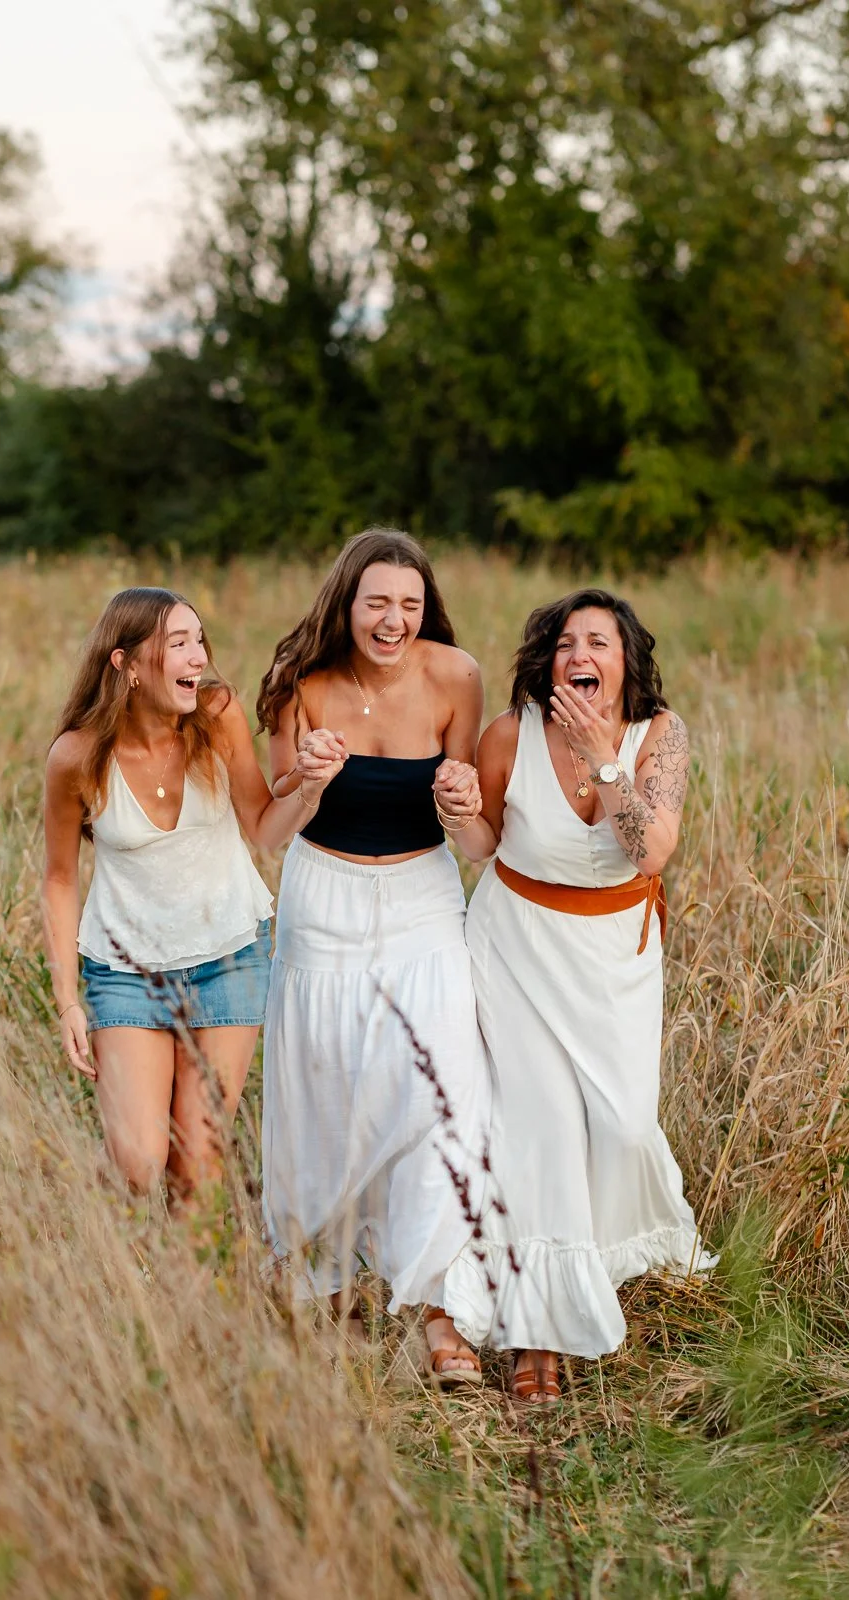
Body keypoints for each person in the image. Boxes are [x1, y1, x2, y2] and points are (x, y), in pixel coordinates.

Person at [443, 589, 715, 1403]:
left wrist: (604, 756)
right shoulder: (508, 734)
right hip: (515, 944)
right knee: (545, 1133)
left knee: (624, 1124)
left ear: (625, 661)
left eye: (597, 642)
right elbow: (482, 846)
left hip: (611, 962)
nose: (578, 656)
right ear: (546, 660)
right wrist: (456, 813)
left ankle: (601, 1253)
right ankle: (538, 1339)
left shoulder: (656, 738)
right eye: (564, 644)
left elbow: (650, 852)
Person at [256, 528, 491, 1382]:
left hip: (426, 904)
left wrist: (461, 804)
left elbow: (473, 845)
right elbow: (270, 833)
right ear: (346, 604)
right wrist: (308, 783)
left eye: (409, 604)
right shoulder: (298, 685)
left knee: (440, 1096)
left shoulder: (456, 677)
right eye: (376, 603)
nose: (392, 620)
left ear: (425, 610)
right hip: (323, 904)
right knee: (322, 1091)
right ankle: (321, 1283)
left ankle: (439, 1312)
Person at [42, 586, 343, 1203]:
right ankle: (104, 1232)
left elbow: (263, 826)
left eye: (198, 640)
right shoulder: (76, 758)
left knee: (197, 1168)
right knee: (140, 1162)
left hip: (229, 956)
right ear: (124, 665)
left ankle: (180, 1296)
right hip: (126, 972)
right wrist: (68, 1000)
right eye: (176, 644)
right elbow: (60, 879)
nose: (197, 657)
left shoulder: (217, 715)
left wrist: (310, 791)